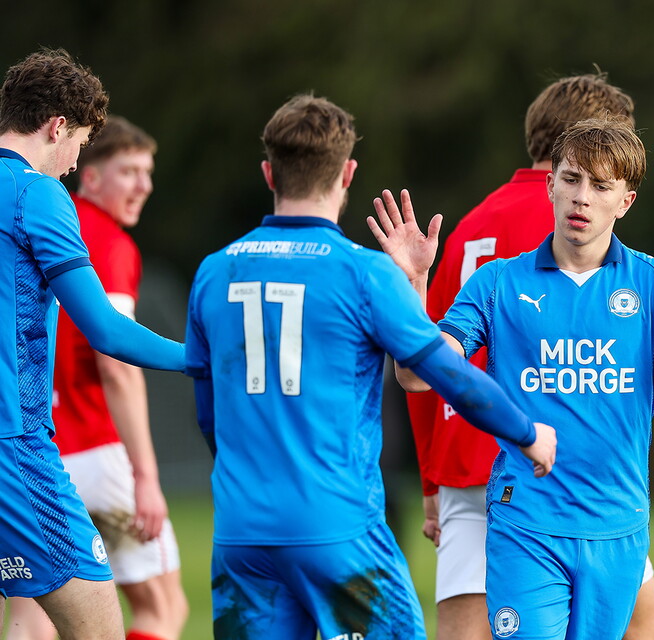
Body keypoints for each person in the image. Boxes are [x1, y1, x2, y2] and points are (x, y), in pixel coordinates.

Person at [184, 94, 556, 640]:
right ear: (348, 172)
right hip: (337, 529)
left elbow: (208, 412)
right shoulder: (362, 273)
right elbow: (448, 374)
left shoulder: (214, 273)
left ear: (268, 173)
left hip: (242, 533)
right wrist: (526, 433)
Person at [371, 115, 654, 639]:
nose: (582, 197)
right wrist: (414, 284)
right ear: (550, 185)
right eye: (570, 179)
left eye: (600, 186)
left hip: (617, 527)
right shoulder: (497, 281)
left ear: (625, 201)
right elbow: (416, 377)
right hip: (525, 522)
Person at [404, 72, 654, 640]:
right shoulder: (582, 217)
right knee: (643, 627)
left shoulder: (473, 221)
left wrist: (431, 479)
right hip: (569, 471)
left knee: (464, 629)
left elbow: (425, 348)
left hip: (464, 452)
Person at [0, 49, 184, 640]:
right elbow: (104, 330)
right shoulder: (38, 194)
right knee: (99, 625)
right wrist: (196, 360)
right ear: (57, 126)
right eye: (79, 142)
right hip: (17, 449)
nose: (76, 159)